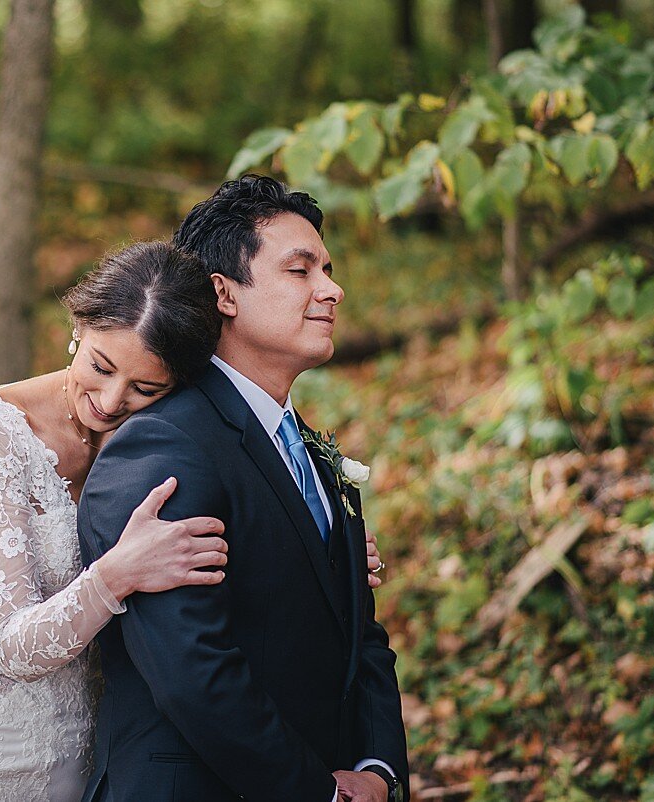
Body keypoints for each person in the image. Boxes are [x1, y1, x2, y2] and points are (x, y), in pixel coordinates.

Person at [0, 238, 393, 801]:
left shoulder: (153, 443)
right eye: (100, 367)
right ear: (79, 325)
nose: (108, 400)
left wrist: (320, 554)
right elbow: (12, 646)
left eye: (143, 388)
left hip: (95, 758)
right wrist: (117, 573)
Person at [77, 176, 409, 802]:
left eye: (329, 269)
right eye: (300, 270)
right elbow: (192, 671)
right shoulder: (164, 446)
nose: (331, 290)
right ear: (223, 294)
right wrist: (316, 791)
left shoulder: (303, 446)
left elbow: (360, 636)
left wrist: (378, 769)